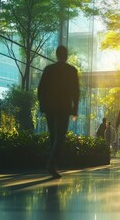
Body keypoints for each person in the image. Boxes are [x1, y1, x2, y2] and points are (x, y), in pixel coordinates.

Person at [38, 45, 79, 178]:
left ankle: (52, 164)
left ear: (56, 55)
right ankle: (52, 163)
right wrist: (75, 108)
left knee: (53, 136)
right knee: (60, 137)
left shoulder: (49, 69)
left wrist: (42, 105)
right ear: (66, 56)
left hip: (50, 107)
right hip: (63, 108)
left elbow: (41, 88)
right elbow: (75, 91)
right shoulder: (71, 70)